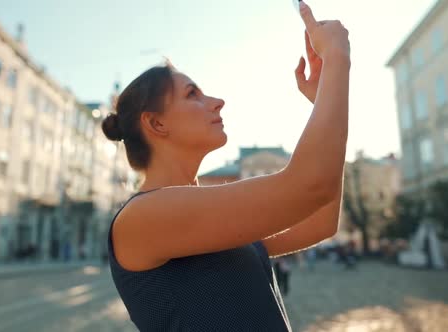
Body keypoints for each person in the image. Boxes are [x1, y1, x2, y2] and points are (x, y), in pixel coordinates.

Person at [105, 2, 350, 330]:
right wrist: (336, 59)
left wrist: (324, 99)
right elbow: (310, 186)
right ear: (157, 124)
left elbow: (320, 220)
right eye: (193, 94)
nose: (217, 102)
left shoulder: (207, 213)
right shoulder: (142, 217)